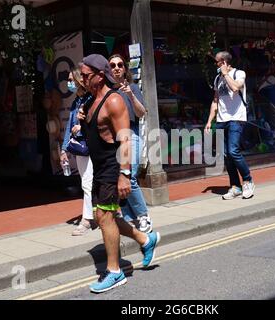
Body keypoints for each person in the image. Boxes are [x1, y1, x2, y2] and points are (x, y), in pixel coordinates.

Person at [78, 54, 160, 293]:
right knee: (107, 217)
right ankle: (146, 239)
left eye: (85, 75)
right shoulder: (90, 102)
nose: (81, 79)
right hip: (99, 167)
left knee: (104, 217)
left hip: (113, 167)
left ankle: (114, 272)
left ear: (99, 75)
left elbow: (125, 140)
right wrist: (82, 120)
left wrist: (125, 174)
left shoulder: (114, 101)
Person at [108, 54, 153, 233]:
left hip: (131, 134)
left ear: (125, 69)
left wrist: (131, 96)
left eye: (120, 64)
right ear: (108, 69)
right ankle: (129, 217)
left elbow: (142, 113)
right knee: (118, 179)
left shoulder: (133, 87)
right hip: (113, 139)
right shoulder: (106, 92)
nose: (117, 67)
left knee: (129, 177)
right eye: (112, 65)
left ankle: (143, 216)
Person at [205, 51, 255, 200]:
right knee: (226, 155)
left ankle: (248, 181)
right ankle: (235, 186)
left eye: (218, 63)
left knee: (233, 151)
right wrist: (209, 121)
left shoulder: (239, 73)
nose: (217, 65)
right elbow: (215, 101)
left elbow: (235, 88)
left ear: (225, 62)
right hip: (221, 120)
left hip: (236, 118)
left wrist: (226, 74)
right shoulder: (217, 79)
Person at [61, 66, 96, 236]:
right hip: (80, 149)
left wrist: (80, 129)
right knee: (87, 182)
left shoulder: (91, 99)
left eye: (70, 80)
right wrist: (63, 150)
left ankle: (87, 220)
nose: (69, 84)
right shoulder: (76, 102)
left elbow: (96, 123)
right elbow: (69, 127)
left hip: (92, 146)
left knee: (88, 183)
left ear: (79, 80)